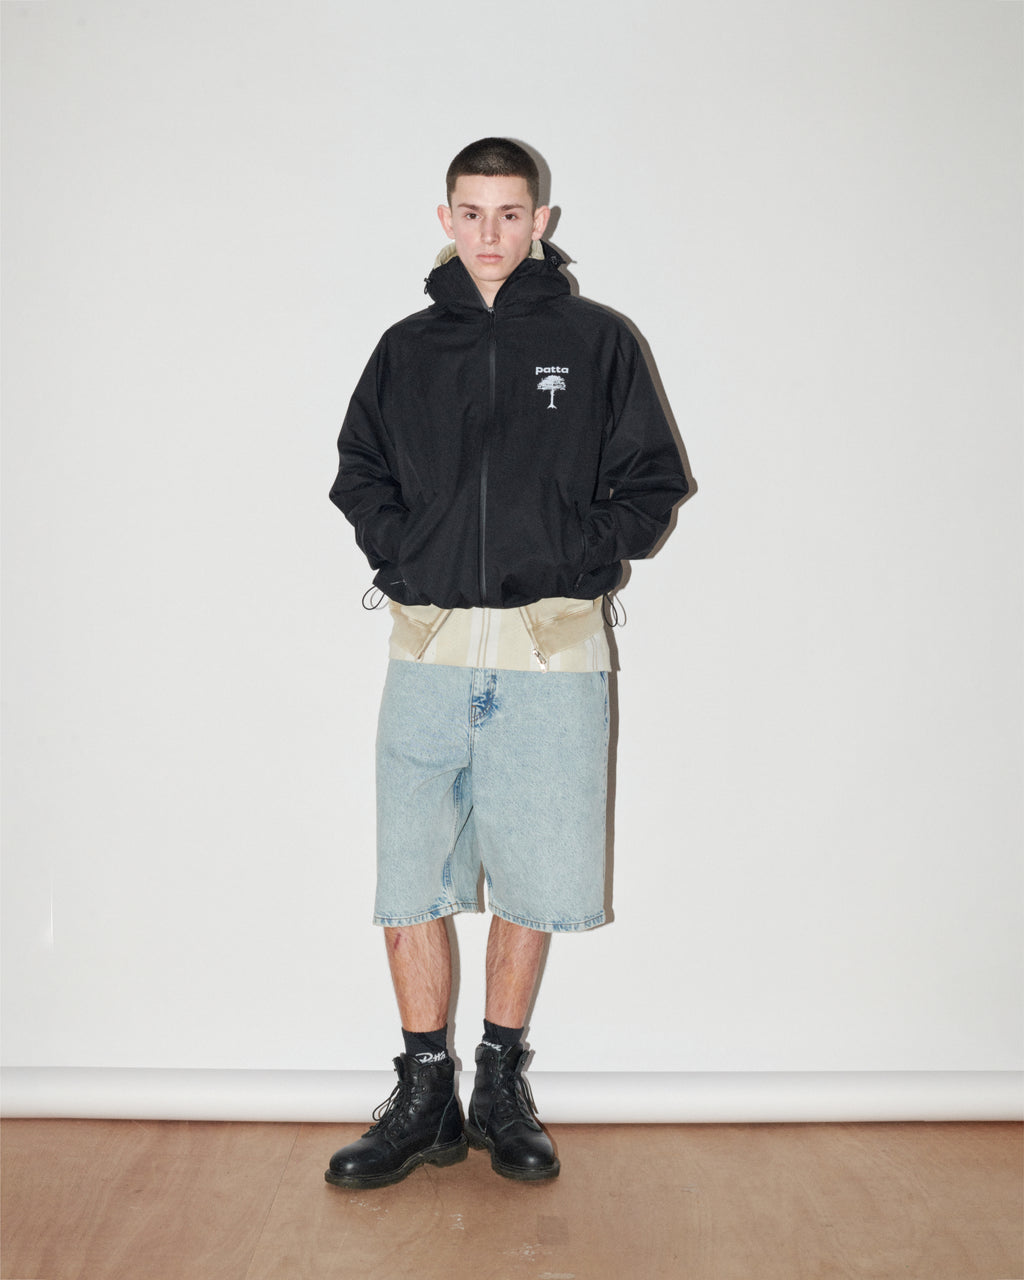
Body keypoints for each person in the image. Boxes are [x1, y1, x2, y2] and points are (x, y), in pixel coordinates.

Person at [325, 138, 688, 1189]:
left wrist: (572, 552)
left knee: (535, 879)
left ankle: (497, 1087)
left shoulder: (596, 341)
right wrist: (405, 551)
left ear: (542, 220)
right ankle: (423, 1097)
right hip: (428, 649)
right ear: (445, 218)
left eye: (511, 213)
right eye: (473, 213)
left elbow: (651, 480)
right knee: (409, 882)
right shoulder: (405, 349)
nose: (491, 233)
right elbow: (358, 470)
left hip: (552, 652)